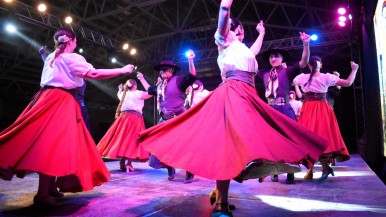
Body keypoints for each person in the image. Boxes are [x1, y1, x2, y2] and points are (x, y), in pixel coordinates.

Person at [138, 1, 327, 216]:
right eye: (230, 28)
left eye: (237, 29)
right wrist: (225, 7)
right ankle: (221, 202)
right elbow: (224, 18)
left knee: (247, 142)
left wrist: (262, 33)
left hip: (248, 94)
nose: (233, 31)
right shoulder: (223, 44)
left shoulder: (245, 50)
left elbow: (254, 49)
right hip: (232, 93)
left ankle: (221, 193)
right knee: (227, 146)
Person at [0, 28, 135, 206]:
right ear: (71, 41)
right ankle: (42, 194)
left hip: (43, 98)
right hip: (60, 101)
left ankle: (49, 188)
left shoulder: (51, 57)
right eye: (76, 41)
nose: (76, 43)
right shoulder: (72, 58)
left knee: (50, 143)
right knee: (53, 145)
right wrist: (122, 70)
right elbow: (93, 74)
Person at [257, 31, 311, 185]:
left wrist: (306, 44)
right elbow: (249, 67)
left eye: (277, 56)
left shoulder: (287, 71)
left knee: (288, 142)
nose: (273, 58)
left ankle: (290, 173)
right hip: (270, 111)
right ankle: (273, 170)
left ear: (282, 59)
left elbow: (303, 62)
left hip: (285, 110)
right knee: (271, 142)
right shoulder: (264, 74)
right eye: (271, 56)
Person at [293, 56, 359, 181]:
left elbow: (348, 83)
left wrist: (354, 70)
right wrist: (354, 69)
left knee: (319, 140)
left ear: (309, 66)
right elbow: (348, 83)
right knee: (308, 140)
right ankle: (316, 169)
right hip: (310, 110)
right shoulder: (306, 77)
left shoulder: (323, 77)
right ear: (320, 65)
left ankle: (320, 168)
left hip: (319, 110)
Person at [137, 51, 197, 184]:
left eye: (165, 69)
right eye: (161, 70)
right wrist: (141, 78)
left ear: (172, 70)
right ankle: (170, 169)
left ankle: (189, 170)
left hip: (178, 119)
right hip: (164, 119)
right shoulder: (159, 86)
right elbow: (150, 90)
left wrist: (191, 60)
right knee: (165, 147)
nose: (163, 71)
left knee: (184, 146)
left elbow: (192, 76)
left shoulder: (179, 80)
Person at [97, 78, 152, 172]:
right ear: (135, 86)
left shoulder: (123, 94)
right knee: (131, 140)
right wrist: (143, 79)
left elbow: (119, 95)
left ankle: (122, 161)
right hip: (134, 119)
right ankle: (129, 163)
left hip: (123, 117)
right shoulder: (137, 93)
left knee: (122, 139)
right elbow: (150, 93)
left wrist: (120, 90)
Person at [39, 45, 91, 132]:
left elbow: (54, 69)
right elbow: (53, 68)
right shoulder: (72, 74)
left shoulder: (81, 76)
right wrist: (43, 55)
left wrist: (43, 55)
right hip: (70, 105)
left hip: (77, 106)